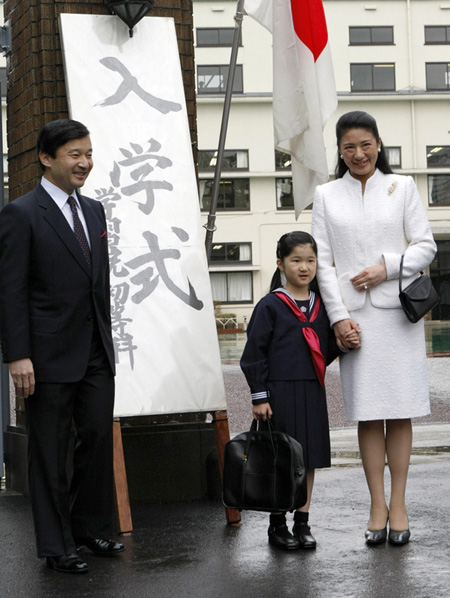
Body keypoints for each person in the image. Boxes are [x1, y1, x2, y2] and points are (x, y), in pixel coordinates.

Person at [0, 119, 125, 574]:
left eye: (88, 153)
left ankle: (88, 528)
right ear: (46, 158)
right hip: (45, 356)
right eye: (75, 154)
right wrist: (17, 353)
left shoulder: (93, 210)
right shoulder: (21, 213)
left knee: (95, 440)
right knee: (49, 453)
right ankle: (56, 546)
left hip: (94, 352)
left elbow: (99, 286)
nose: (85, 163)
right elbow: (10, 290)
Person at [311, 110, 437, 546]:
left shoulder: (401, 187)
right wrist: (337, 317)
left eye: (366, 144)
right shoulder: (326, 195)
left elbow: (426, 246)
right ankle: (376, 506)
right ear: (340, 152)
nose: (358, 154)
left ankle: (398, 504)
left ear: (378, 145)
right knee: (367, 412)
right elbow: (323, 264)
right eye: (349, 147)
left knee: (399, 411)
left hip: (397, 316)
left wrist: (387, 267)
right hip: (355, 320)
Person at [240, 231, 360, 550]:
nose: (304, 267)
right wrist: (259, 396)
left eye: (310, 260)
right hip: (279, 394)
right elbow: (253, 355)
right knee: (281, 460)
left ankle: (302, 522)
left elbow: (321, 351)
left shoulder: (322, 306)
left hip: (311, 391)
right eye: (296, 260)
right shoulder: (270, 306)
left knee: (308, 459)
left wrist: (343, 345)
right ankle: (277, 524)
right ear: (280, 264)